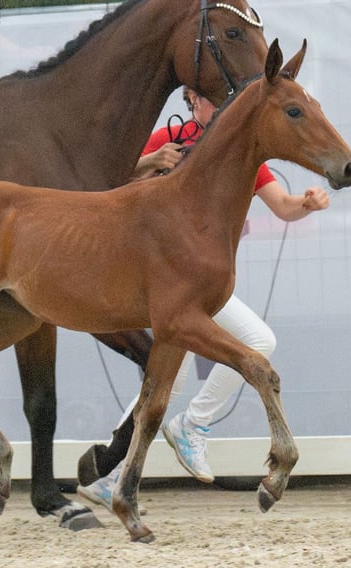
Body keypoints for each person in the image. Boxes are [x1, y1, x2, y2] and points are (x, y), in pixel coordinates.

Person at [77, 87, 329, 510]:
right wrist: (153, 162)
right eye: (212, 96)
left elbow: (283, 207)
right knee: (179, 367)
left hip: (198, 283)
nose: (223, 102)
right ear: (192, 99)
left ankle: (176, 434)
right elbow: (109, 187)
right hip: (154, 276)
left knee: (224, 352)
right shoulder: (171, 139)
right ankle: (130, 460)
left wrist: (307, 203)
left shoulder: (244, 149)